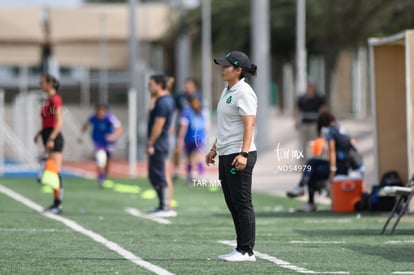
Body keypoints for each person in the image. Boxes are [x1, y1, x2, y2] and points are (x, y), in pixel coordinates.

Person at [206, 51, 258, 262]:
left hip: (239, 154)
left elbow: (249, 125)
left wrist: (244, 154)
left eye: (226, 66)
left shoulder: (244, 92)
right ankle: (240, 248)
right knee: (233, 203)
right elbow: (226, 126)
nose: (222, 68)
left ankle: (246, 251)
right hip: (226, 154)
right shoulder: (228, 90)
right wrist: (214, 149)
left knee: (242, 202)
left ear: (238, 70)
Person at [287, 111, 360, 212]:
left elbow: (332, 151)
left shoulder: (328, 131)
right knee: (312, 162)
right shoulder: (342, 129)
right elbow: (354, 146)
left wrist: (332, 170)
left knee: (312, 171)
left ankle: (308, 199)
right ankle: (302, 187)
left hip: (340, 167)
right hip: (348, 165)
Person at [34, 74, 64, 214]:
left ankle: (58, 204)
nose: (40, 84)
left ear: (50, 83)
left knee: (54, 172)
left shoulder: (55, 99)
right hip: (47, 135)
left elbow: (59, 121)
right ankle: (56, 203)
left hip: (54, 138)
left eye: (42, 82)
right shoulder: (47, 100)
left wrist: (51, 138)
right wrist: (40, 132)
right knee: (51, 173)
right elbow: (48, 120)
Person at [147, 74, 176, 217]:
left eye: (151, 84)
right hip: (162, 142)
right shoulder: (161, 100)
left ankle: (165, 206)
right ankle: (164, 205)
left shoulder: (163, 102)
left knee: (159, 175)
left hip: (159, 143)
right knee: (159, 174)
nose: (148, 87)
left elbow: (158, 125)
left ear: (159, 85)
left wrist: (150, 143)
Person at [78, 104, 123, 188]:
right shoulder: (93, 118)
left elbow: (119, 128)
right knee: (100, 158)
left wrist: (114, 136)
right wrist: (81, 136)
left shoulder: (110, 118)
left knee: (108, 160)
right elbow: (85, 125)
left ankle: (105, 174)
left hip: (109, 143)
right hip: (98, 142)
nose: (100, 112)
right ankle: (101, 178)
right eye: (99, 110)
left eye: (102, 111)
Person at [173, 78, 203, 180]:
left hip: (195, 132)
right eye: (186, 86)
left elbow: (203, 115)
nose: (187, 88)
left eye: (189, 86)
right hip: (185, 130)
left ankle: (199, 174)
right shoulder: (180, 97)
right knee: (183, 151)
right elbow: (174, 110)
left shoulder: (199, 97)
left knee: (198, 153)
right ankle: (178, 170)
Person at [176, 96, 207, 184]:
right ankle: (189, 175)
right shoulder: (187, 113)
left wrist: (205, 136)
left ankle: (201, 176)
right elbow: (183, 127)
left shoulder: (201, 113)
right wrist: (181, 139)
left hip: (199, 138)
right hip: (189, 138)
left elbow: (204, 126)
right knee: (189, 158)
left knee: (199, 156)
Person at [294, 83, 326, 164]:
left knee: (316, 143)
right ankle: (302, 164)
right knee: (302, 144)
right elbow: (297, 110)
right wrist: (296, 121)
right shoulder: (302, 98)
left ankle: (318, 161)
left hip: (314, 124)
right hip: (304, 123)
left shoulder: (319, 98)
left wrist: (323, 122)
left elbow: (323, 110)